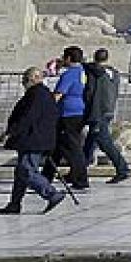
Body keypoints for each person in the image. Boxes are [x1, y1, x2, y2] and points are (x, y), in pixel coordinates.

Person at [0, 67, 65, 214]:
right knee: (21, 173)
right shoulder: (42, 94)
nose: (24, 83)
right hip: (37, 138)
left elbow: (27, 117)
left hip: (33, 139)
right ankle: (14, 203)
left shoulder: (37, 95)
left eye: (25, 80)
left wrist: (11, 132)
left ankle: (51, 193)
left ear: (34, 78)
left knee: (26, 171)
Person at [43, 45, 90, 190]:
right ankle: (46, 177)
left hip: (67, 113)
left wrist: (46, 109)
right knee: (56, 147)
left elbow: (59, 94)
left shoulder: (69, 74)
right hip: (79, 111)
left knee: (72, 148)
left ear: (68, 58)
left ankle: (81, 178)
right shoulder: (82, 72)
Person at [81, 48, 131, 184]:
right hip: (108, 110)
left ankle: (123, 169)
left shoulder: (94, 72)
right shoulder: (114, 73)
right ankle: (79, 170)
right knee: (90, 142)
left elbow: (89, 91)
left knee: (105, 142)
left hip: (97, 111)